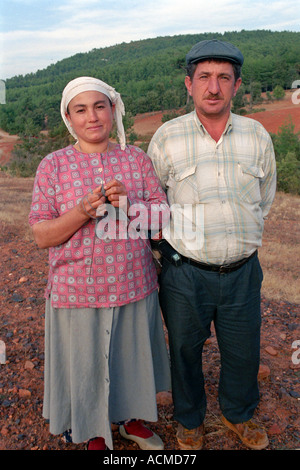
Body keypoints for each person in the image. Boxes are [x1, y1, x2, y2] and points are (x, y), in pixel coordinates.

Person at [28, 76, 171, 451]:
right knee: (85, 364)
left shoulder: (136, 159)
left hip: (133, 283)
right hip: (77, 290)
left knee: (130, 358)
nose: (92, 117)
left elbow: (161, 218)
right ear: (68, 118)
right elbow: (42, 235)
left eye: (100, 106)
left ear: (113, 111)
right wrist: (81, 211)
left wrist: (128, 205)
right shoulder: (53, 166)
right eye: (81, 109)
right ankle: (91, 431)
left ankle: (130, 420)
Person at [148, 39, 276, 450]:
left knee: (243, 352)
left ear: (237, 85)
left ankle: (237, 414)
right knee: (184, 350)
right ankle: (189, 420)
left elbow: (265, 198)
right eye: (204, 77)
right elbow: (154, 203)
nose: (214, 87)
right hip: (185, 273)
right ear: (189, 84)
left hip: (242, 271)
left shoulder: (257, 135)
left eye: (224, 77)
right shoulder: (167, 138)